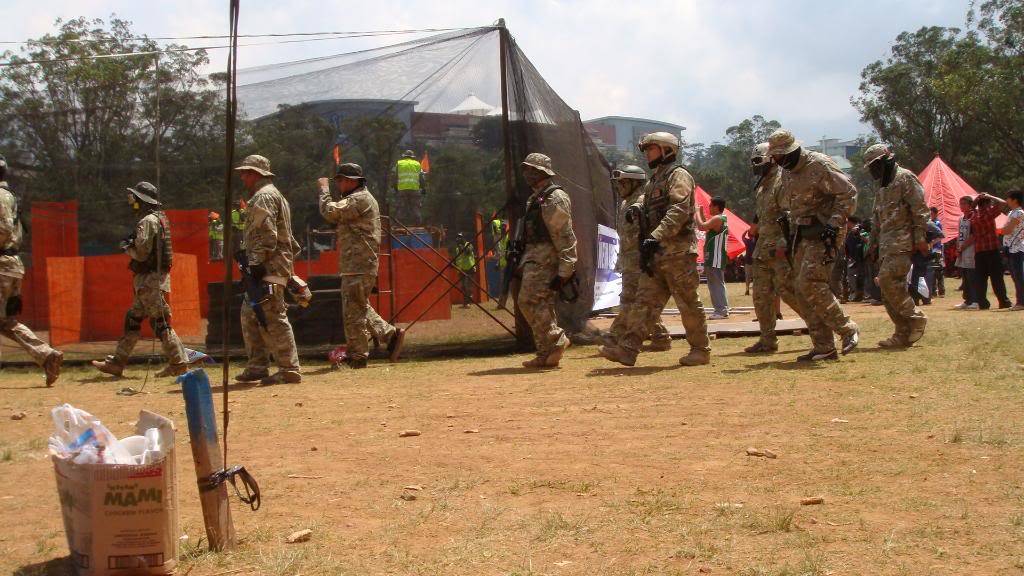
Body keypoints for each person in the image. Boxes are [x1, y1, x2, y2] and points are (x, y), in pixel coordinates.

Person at [599, 132, 711, 367]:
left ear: (666, 150)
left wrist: (655, 236)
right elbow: (645, 201)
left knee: (688, 303)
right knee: (644, 303)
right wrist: (637, 208)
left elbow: (678, 210)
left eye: (650, 149)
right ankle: (628, 350)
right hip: (657, 255)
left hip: (678, 253)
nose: (646, 154)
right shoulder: (654, 181)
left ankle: (700, 349)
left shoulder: (678, 176)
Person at [768, 129, 859, 361]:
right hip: (802, 233)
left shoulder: (819, 165)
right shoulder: (786, 172)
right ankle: (823, 346)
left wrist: (834, 223)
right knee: (799, 288)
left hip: (825, 232)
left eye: (779, 156)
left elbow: (848, 193)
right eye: (774, 157)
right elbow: (790, 206)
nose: (777, 161)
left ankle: (847, 329)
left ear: (791, 151)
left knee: (810, 282)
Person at [92, 182, 188, 378]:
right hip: (153, 279)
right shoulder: (160, 218)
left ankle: (178, 363)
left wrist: (128, 248)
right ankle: (117, 362)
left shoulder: (147, 221)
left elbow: (142, 254)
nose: (132, 203)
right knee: (134, 319)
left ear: (143, 200)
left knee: (160, 323)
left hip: (149, 281)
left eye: (135, 199)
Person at [318, 163, 405, 368]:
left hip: (359, 262)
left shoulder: (360, 199)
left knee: (353, 309)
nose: (338, 184)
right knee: (357, 305)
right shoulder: (358, 198)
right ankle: (390, 335)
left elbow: (330, 212)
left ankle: (358, 355)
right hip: (357, 262)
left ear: (352, 181)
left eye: (340, 180)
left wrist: (323, 190)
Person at [232, 155, 302, 385]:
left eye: (246, 172)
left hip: (267, 265)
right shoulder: (274, 194)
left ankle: (289, 368)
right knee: (249, 313)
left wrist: (256, 263)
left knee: (273, 314)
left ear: (257, 174)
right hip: (272, 263)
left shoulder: (263, 197)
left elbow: (267, 234)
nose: (243, 176)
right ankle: (257, 365)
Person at [0, 154, 63, 386]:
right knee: (6, 322)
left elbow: (4, 228)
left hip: (2, 265)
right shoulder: (10, 196)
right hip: (11, 265)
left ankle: (47, 355)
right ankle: (47, 355)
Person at [513, 153, 577, 368]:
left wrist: (566, 268)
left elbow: (564, 234)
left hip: (546, 258)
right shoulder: (537, 197)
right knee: (541, 304)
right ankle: (546, 353)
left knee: (528, 300)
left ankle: (555, 338)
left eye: (532, 169)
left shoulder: (554, 197)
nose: (527, 174)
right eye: (526, 169)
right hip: (535, 256)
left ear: (542, 172)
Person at [862, 144, 929, 348]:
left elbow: (920, 210)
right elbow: (877, 218)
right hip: (886, 244)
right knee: (886, 287)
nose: (873, 171)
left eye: (874, 165)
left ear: (884, 161)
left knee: (888, 280)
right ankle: (902, 333)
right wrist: (872, 245)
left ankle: (915, 317)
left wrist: (920, 239)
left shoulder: (905, 178)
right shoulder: (883, 185)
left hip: (902, 241)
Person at [744, 142, 805, 354]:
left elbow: (790, 216)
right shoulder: (762, 187)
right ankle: (767, 339)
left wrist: (783, 245)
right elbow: (764, 216)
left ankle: (820, 331)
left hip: (779, 249)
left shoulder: (782, 182)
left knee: (789, 293)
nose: (756, 167)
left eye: (759, 162)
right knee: (761, 296)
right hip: (762, 249)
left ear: (771, 160)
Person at [604, 165, 671, 352]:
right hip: (630, 260)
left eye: (623, 183)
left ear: (635, 183)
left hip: (639, 261)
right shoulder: (626, 203)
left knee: (629, 300)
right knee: (641, 300)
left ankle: (614, 337)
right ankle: (660, 336)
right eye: (617, 183)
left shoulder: (640, 202)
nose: (619, 187)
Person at [969, 192, 1012, 309]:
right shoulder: (989, 213)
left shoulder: (974, 215)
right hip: (992, 250)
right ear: (988, 204)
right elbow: (1003, 202)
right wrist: (990, 196)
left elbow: (971, 209)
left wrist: (976, 201)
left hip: (979, 252)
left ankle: (983, 303)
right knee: (997, 278)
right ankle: (1003, 301)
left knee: (981, 279)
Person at [696, 197, 730, 319]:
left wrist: (696, 214)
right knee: (718, 283)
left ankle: (720, 310)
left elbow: (701, 226)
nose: (709, 207)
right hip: (717, 256)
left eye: (711, 205)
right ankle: (723, 308)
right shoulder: (721, 219)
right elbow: (707, 225)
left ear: (716, 207)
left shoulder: (717, 218)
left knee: (715, 284)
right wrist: (700, 213)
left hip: (715, 256)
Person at [953, 196, 979, 310]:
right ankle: (967, 299)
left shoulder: (974, 217)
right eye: (960, 203)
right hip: (962, 249)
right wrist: (958, 248)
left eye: (964, 204)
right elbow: (959, 234)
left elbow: (974, 235)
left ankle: (975, 300)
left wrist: (963, 246)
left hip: (971, 249)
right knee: (964, 276)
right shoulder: (961, 218)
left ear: (970, 205)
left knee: (972, 276)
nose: (962, 206)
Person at [1001, 190, 1024, 310]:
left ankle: (1021, 303)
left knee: (1019, 276)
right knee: (1015, 277)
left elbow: (1008, 230)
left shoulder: (1019, 213)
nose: (1006, 200)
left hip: (1017, 249)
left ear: (1015, 199)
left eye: (1008, 198)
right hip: (1010, 248)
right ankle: (1019, 302)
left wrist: (998, 230)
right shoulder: (1011, 212)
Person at [394, 150, 425, 226]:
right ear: (412, 157)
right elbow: (422, 178)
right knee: (415, 207)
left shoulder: (399, 163)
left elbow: (394, 176)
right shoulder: (417, 164)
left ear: (404, 156)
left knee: (401, 207)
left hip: (402, 189)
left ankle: (399, 225)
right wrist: (423, 188)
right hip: (414, 189)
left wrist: (395, 188)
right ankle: (417, 225)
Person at [453, 233, 477, 308]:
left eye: (460, 238)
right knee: (463, 286)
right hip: (462, 269)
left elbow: (468, 252)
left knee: (468, 286)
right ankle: (465, 302)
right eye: (458, 238)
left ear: (464, 238)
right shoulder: (457, 248)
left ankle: (468, 302)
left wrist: (462, 247)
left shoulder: (469, 244)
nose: (459, 239)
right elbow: (457, 259)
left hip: (470, 268)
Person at [844, 217, 865, 301]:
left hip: (860, 257)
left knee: (859, 276)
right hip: (853, 258)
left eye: (847, 222)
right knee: (852, 277)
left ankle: (860, 294)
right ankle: (857, 294)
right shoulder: (849, 232)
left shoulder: (859, 229)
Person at [928, 207, 945, 297]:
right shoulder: (929, 223)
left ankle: (941, 291)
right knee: (932, 270)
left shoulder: (937, 223)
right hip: (931, 249)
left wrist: (932, 242)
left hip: (937, 249)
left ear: (936, 214)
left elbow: (941, 236)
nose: (930, 215)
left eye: (932, 214)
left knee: (939, 270)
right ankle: (933, 290)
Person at [742, 224, 756, 296]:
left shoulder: (747, 241)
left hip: (748, 262)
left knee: (748, 277)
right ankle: (751, 290)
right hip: (754, 262)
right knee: (755, 277)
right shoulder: (755, 241)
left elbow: (742, 237)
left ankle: (747, 290)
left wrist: (746, 230)